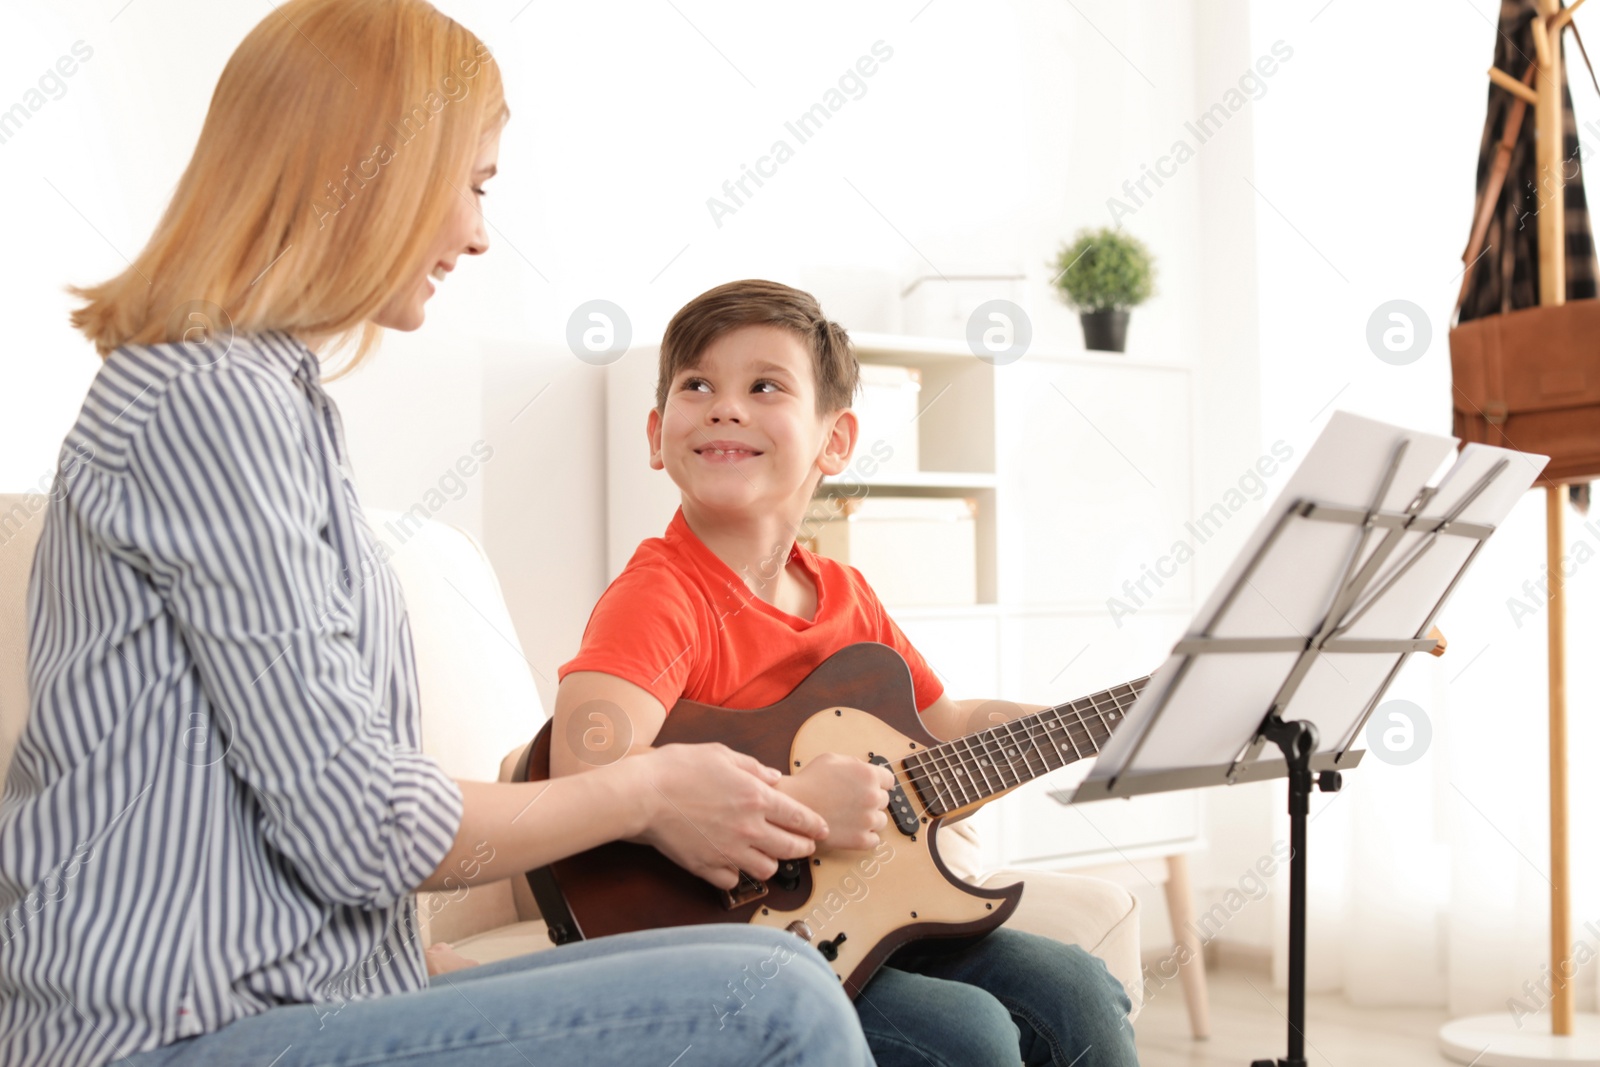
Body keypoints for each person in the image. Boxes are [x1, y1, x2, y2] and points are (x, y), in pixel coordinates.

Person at [0, 5, 874, 1066]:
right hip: (166, 1035)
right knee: (770, 999)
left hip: (288, 1000)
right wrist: (643, 792)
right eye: (473, 184)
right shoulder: (206, 399)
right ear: (368, 169)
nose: (475, 233)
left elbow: (296, 848)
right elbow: (363, 826)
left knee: (781, 980)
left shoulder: (270, 398)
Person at [551, 278, 1141, 1066]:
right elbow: (584, 771)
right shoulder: (659, 597)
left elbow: (946, 728)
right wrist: (793, 806)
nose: (726, 406)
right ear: (657, 434)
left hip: (864, 918)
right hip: (722, 945)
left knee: (1074, 987)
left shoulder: (846, 594)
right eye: (698, 385)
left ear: (836, 440)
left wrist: (1100, 722)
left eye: (765, 385)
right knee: (970, 1036)